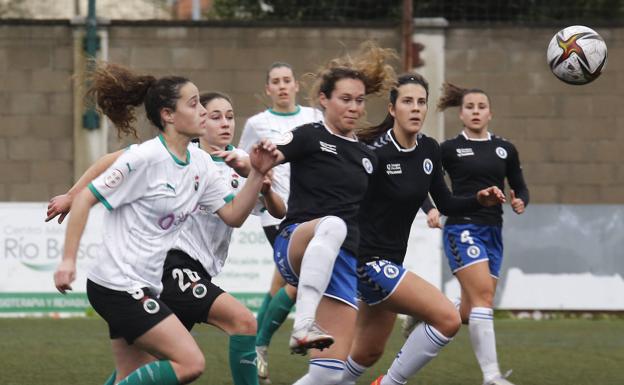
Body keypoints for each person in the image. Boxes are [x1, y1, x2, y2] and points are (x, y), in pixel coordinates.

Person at [52, 63, 277, 385]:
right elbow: (87, 198)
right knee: (189, 363)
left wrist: (256, 174)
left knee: (130, 375)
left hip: (146, 284)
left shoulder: (200, 163)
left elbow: (234, 217)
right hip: (117, 284)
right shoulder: (145, 158)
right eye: (194, 103)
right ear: (169, 115)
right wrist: (68, 260)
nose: (203, 111)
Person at [334, 73, 505, 385]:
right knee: (448, 318)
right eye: (407, 102)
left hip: (390, 262)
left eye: (421, 102)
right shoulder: (375, 153)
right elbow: (345, 204)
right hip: (367, 263)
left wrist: (479, 200)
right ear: (392, 109)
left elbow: (447, 203)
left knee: (367, 352)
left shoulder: (429, 149)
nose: (415, 108)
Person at [267, 42, 395, 385]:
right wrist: (255, 158)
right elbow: (273, 152)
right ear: (323, 99)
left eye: (359, 100)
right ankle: (303, 323)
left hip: (342, 262)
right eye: (345, 99)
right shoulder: (310, 135)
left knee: (328, 377)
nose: (354, 107)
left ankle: (309, 331)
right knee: (333, 224)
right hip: (297, 241)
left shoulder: (369, 157)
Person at [425, 83, 530, 385]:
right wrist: (430, 208)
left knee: (472, 310)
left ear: (490, 113)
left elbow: (519, 184)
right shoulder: (449, 149)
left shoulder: (505, 149)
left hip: (493, 231)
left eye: (481, 107)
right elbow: (424, 178)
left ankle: (427, 314)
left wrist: (521, 199)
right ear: (461, 114)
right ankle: (491, 376)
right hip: (461, 227)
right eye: (469, 107)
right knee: (484, 297)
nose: (475, 111)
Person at [237, 62, 322, 384]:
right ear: (268, 89)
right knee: (303, 278)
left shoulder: (314, 117)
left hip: (313, 211)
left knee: (279, 286)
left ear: (297, 85)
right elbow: (246, 163)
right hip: (276, 215)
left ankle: (255, 348)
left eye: (287, 80)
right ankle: (260, 344)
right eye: (276, 81)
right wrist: (256, 185)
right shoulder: (257, 123)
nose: (283, 86)